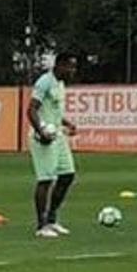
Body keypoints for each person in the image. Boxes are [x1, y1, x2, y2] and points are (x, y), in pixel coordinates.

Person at [29, 52, 81, 238]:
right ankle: (41, 226)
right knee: (46, 179)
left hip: (58, 135)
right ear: (59, 65)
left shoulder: (60, 84)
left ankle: (52, 219)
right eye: (70, 67)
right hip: (43, 137)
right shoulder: (45, 82)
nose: (73, 71)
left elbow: (53, 110)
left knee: (67, 175)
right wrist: (40, 131)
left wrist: (67, 124)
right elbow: (31, 109)